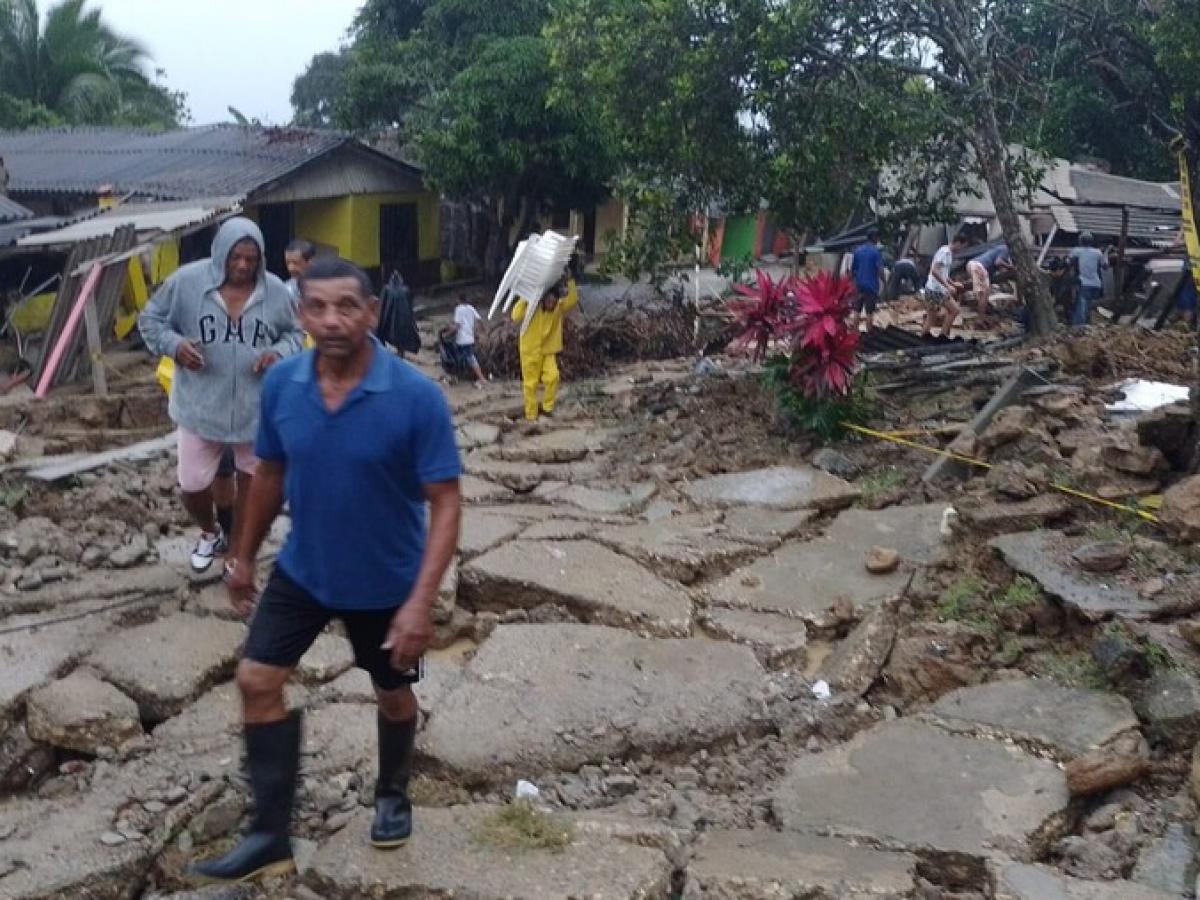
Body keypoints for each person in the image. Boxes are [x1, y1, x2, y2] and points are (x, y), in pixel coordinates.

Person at [190, 257, 461, 883]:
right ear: (301, 313)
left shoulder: (416, 397)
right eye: (318, 307)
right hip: (305, 570)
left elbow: (445, 501)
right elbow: (270, 475)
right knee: (257, 680)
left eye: (347, 307)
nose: (333, 320)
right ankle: (269, 834)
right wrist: (244, 556)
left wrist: (421, 601)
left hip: (387, 581)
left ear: (372, 311)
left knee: (392, 693)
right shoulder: (284, 384)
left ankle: (392, 792)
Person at [139, 218, 303, 573]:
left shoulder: (275, 291)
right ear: (220, 254)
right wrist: (175, 346)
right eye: (235, 257)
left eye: (251, 259)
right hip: (199, 407)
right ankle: (210, 531)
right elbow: (150, 320)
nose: (243, 266)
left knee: (252, 484)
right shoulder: (187, 282)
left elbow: (296, 334)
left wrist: (279, 353)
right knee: (192, 485)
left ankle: (239, 552)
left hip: (255, 410)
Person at [513, 276, 578, 421]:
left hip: (548, 350)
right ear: (542, 300)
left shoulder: (558, 308)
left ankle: (548, 408)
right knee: (530, 384)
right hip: (529, 351)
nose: (551, 304)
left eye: (553, 301)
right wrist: (526, 298)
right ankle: (531, 415)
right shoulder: (531, 309)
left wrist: (570, 280)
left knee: (553, 376)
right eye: (548, 301)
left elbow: (572, 300)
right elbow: (515, 315)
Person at [922, 232, 967, 337]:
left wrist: (953, 283)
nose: (961, 250)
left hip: (933, 288)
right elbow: (935, 271)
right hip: (937, 290)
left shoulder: (946, 251)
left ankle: (924, 337)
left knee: (931, 317)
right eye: (962, 247)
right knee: (954, 310)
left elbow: (943, 273)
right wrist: (948, 286)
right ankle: (944, 334)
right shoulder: (945, 253)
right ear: (958, 243)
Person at [849, 228, 886, 332]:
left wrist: (852, 284)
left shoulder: (858, 250)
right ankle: (869, 335)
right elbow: (880, 270)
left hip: (859, 285)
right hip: (871, 287)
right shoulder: (876, 252)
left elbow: (853, 269)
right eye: (877, 237)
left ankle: (854, 334)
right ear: (874, 238)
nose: (878, 240)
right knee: (869, 312)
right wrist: (885, 282)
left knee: (857, 310)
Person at [1069, 232, 1108, 326]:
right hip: (1096, 284)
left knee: (1081, 305)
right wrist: (1106, 252)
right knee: (1087, 305)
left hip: (1084, 283)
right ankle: (1086, 325)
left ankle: (1079, 326)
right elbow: (1105, 266)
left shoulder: (1077, 251)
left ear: (1080, 241)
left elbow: (1068, 261)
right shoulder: (1098, 252)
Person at [966, 243, 1014, 316]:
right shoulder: (1006, 249)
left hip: (972, 264)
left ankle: (981, 313)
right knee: (984, 295)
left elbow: (1000, 269)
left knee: (983, 293)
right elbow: (998, 262)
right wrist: (1011, 267)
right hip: (979, 266)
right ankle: (980, 318)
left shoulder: (999, 249)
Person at [451, 295, 486, 387]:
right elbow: (480, 320)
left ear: (459, 300)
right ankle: (457, 377)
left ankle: (481, 378)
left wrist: (448, 333)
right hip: (470, 338)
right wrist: (482, 331)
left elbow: (457, 325)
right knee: (464, 358)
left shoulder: (458, 309)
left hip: (461, 339)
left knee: (467, 358)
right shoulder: (471, 308)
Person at [283, 239, 317, 308]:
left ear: (310, 262)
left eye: (296, 263)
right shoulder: (285, 290)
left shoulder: (325, 287)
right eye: (287, 263)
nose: (291, 268)